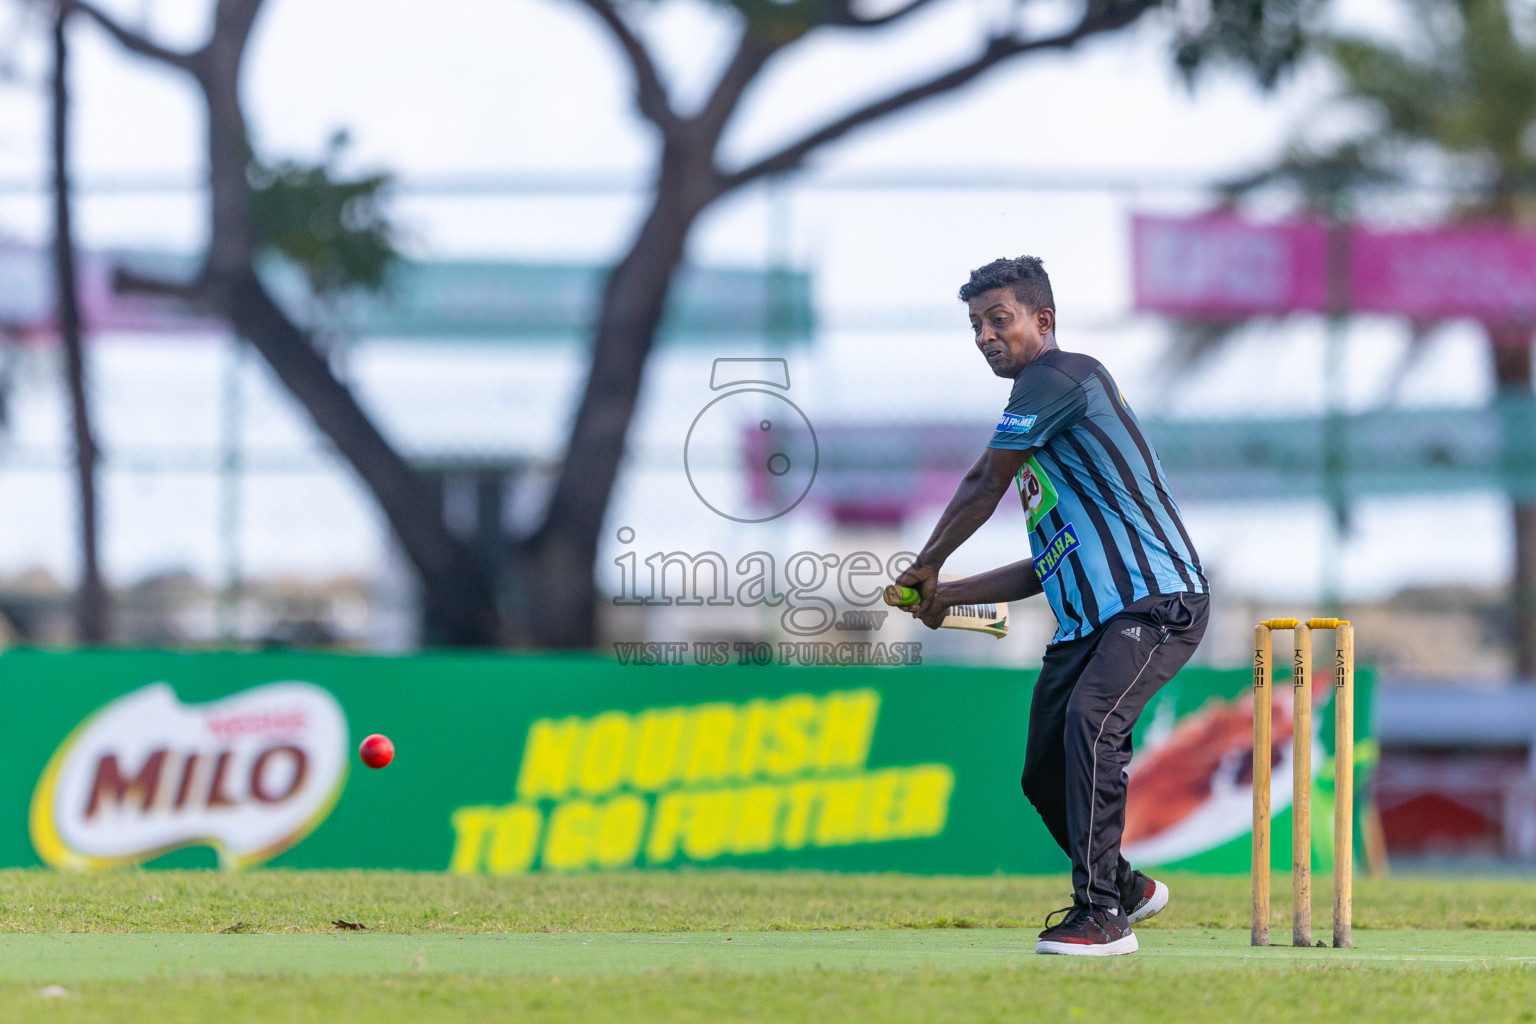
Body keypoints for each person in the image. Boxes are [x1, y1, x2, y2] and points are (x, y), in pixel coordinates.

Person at [894, 255, 1210, 956]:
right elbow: (1049, 563)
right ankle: (1125, 886)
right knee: (1042, 773)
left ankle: (1100, 915)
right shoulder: (1046, 449)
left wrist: (928, 563)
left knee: (1093, 723)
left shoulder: (1060, 378)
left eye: (998, 319)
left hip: (1157, 604)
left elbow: (982, 481)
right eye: (976, 324)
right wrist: (949, 596)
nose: (984, 335)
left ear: (1044, 321)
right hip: (1089, 624)